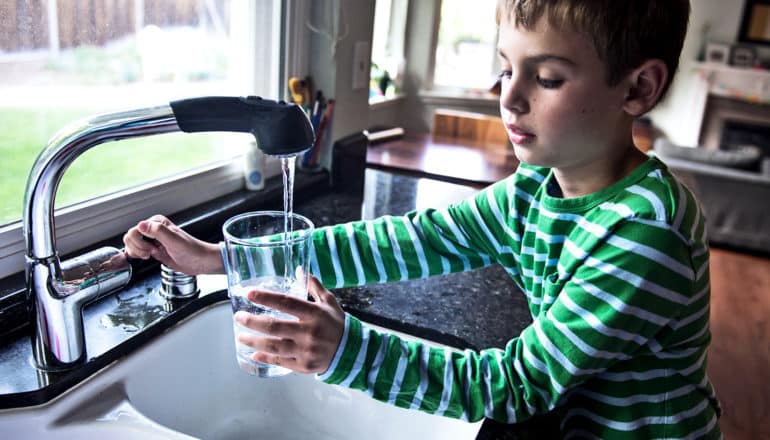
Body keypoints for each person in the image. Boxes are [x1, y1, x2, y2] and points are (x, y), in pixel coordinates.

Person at [124, 0, 722, 437]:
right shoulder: (540, 185)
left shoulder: (647, 229)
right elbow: (418, 239)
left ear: (638, 88)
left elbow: (516, 385)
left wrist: (346, 352)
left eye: (547, 78)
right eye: (507, 69)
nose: (509, 99)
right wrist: (216, 258)